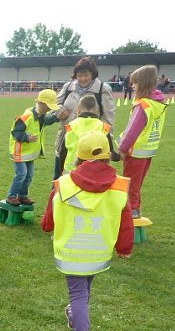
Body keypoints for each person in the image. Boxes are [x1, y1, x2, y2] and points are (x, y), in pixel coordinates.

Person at [40, 131, 131, 331]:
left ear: (78, 158)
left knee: (79, 294)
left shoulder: (63, 184)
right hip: (99, 249)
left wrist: (47, 226)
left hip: (72, 250)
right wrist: (124, 247)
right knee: (84, 290)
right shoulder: (119, 186)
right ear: (108, 158)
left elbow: (50, 216)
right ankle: (74, 314)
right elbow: (126, 220)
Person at [117, 65, 167, 238]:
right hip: (148, 152)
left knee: (130, 184)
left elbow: (133, 130)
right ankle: (135, 210)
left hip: (136, 153)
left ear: (142, 84)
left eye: (135, 83)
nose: (132, 86)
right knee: (136, 185)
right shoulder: (157, 104)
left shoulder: (143, 105)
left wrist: (121, 149)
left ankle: (130, 212)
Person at [53, 57, 115, 179]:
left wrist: (107, 146)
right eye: (79, 75)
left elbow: (109, 118)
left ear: (93, 74)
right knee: (59, 178)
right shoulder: (68, 87)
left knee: (87, 181)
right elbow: (54, 104)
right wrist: (60, 111)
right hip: (66, 141)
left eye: (86, 75)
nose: (82, 79)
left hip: (91, 146)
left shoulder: (103, 89)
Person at [6, 89, 68, 206]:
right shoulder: (27, 116)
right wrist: (26, 137)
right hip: (20, 152)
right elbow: (16, 132)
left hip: (29, 153)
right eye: (48, 106)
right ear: (41, 104)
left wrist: (57, 117)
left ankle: (23, 196)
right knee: (21, 175)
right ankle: (11, 196)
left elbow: (47, 120)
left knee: (29, 175)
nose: (50, 109)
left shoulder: (41, 115)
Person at [59, 94, 118, 174]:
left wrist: (61, 171)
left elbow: (63, 152)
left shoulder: (71, 126)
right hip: (95, 172)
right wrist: (119, 156)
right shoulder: (103, 127)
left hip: (72, 171)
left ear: (78, 110)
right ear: (97, 111)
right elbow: (109, 153)